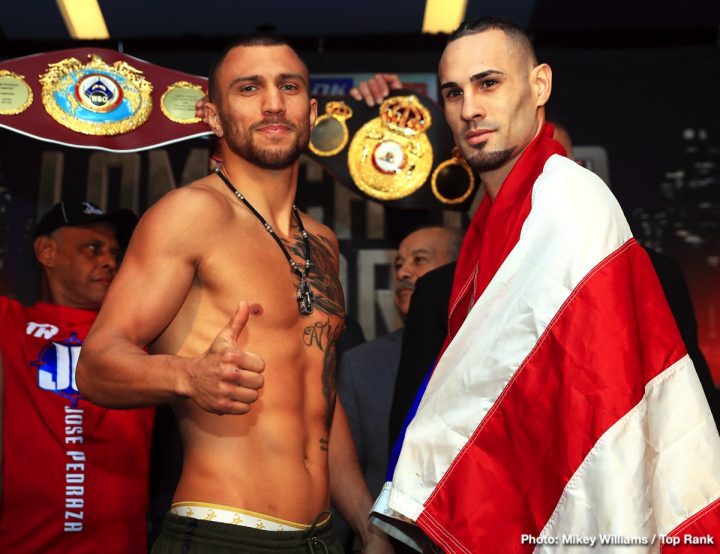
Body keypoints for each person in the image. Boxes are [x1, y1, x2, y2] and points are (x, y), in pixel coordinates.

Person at [363, 17, 720, 552]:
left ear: (539, 87)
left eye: (489, 83)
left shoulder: (570, 203)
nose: (470, 109)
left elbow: (595, 409)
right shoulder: (497, 226)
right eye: (453, 93)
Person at [76, 36, 392, 553]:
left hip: (321, 538)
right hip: (224, 532)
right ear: (214, 116)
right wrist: (186, 375)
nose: (273, 103)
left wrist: (364, 520)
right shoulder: (191, 214)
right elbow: (95, 365)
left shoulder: (323, 244)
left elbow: (321, 400)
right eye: (249, 88)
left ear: (310, 112)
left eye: (288, 87)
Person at [0, 201, 155, 553]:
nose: (110, 261)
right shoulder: (9, 322)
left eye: (114, 252)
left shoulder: (143, 334)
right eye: (93, 248)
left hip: (120, 545)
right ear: (47, 251)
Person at [337, 227, 460, 551]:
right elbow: (342, 472)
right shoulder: (361, 363)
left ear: (458, 268)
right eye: (398, 264)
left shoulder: (486, 354)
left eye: (419, 260)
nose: (404, 272)